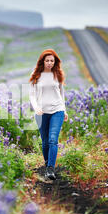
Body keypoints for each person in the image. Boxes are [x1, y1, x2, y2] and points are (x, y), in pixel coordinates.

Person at [29, 48, 68, 180]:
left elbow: (61, 93)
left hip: (57, 111)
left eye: (52, 60)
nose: (50, 63)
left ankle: (51, 169)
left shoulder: (58, 74)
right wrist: (36, 108)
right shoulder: (36, 75)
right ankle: (47, 166)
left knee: (53, 139)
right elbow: (32, 95)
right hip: (41, 112)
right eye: (47, 60)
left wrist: (64, 110)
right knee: (45, 142)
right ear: (43, 61)